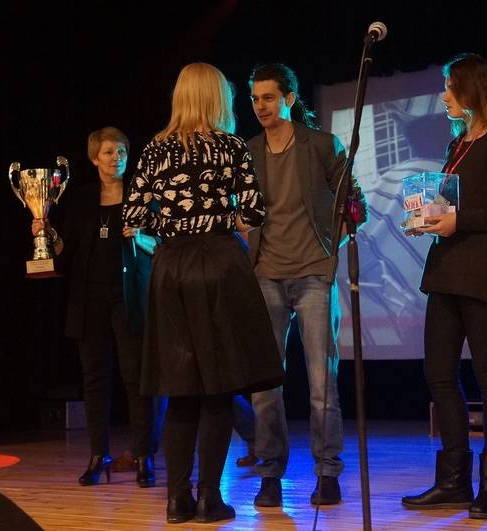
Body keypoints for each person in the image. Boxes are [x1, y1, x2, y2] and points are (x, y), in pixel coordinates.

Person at [123, 62, 284, 525]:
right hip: (218, 263)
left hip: (171, 267)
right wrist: (217, 219)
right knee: (218, 388)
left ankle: (177, 499)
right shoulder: (231, 146)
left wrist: (173, 224)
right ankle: (209, 499)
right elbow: (253, 212)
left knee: (180, 390)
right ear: (218, 98)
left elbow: (132, 216)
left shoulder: (155, 149)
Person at [400, 53, 487, 520]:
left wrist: (461, 221)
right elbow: (454, 203)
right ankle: (453, 481)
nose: (444, 96)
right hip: (447, 272)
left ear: (471, 91)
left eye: (450, 87)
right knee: (438, 374)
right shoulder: (459, 143)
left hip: (484, 275)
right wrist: (428, 217)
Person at [246, 63, 368, 507]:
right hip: (266, 276)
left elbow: (355, 204)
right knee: (265, 386)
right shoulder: (249, 151)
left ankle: (327, 472)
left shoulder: (320, 145)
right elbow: (244, 210)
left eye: (268, 98)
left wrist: (330, 252)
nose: (260, 106)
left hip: (314, 274)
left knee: (321, 384)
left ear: (290, 99)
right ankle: (270, 474)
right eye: (255, 98)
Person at [32, 127, 162, 488]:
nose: (116, 159)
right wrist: (44, 232)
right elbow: (66, 252)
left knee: (135, 378)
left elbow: (164, 245)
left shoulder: (142, 195)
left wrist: (143, 237)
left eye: (121, 152)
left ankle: (143, 455)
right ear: (94, 158)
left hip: (130, 297)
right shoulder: (80, 200)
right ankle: (97, 454)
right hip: (89, 299)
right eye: (108, 152)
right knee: (94, 379)